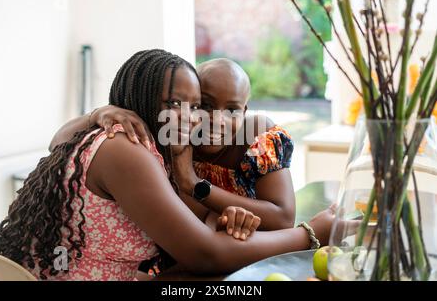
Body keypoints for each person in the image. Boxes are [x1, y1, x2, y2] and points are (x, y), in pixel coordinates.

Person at [0, 49, 352, 281]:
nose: (194, 118)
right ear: (140, 99)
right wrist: (312, 232)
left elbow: (194, 222)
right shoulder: (126, 149)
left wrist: (215, 215)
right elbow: (205, 253)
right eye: (177, 103)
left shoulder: (147, 145)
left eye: (194, 106)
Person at [50, 58, 296, 235]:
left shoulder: (257, 136)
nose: (217, 121)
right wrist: (98, 113)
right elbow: (57, 143)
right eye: (206, 105)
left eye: (232, 110)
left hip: (248, 249)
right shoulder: (176, 134)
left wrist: (193, 184)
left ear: (244, 112)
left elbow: (283, 218)